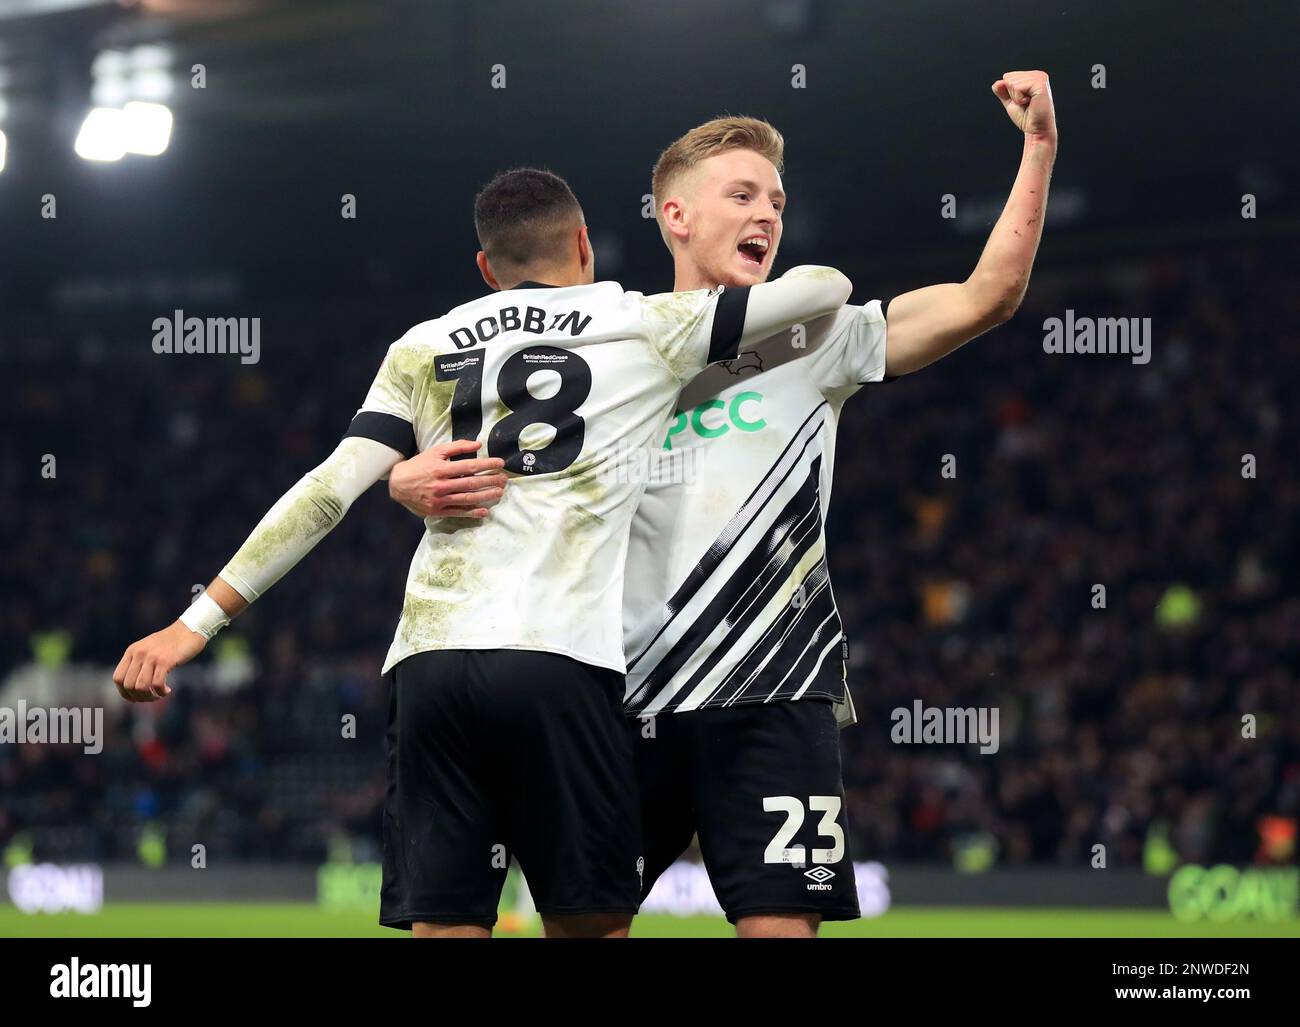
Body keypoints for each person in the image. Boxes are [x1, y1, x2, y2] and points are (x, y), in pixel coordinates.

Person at [391, 69, 1058, 938]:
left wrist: (1038, 147)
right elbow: (507, 471)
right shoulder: (611, 342)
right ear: (676, 216)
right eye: (741, 194)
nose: (767, 215)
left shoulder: (819, 335)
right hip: (618, 693)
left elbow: (986, 296)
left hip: (772, 689)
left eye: (776, 199)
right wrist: (402, 479)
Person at [112, 167, 854, 937]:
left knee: (446, 922)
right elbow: (822, 290)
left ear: (485, 267)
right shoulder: (646, 325)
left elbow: (326, 492)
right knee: (591, 919)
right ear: (582, 244)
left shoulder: (422, 345)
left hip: (431, 661)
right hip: (561, 658)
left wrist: (189, 627)